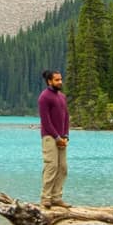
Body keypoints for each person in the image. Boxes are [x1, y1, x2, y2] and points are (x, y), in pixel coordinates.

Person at [38, 69, 69, 208]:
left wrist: (65, 136)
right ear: (49, 81)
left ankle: (56, 197)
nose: (60, 82)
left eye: (60, 79)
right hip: (49, 137)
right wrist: (56, 137)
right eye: (57, 80)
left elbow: (66, 117)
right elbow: (46, 121)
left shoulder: (62, 97)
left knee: (63, 167)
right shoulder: (44, 97)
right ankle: (46, 198)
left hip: (61, 138)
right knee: (51, 166)